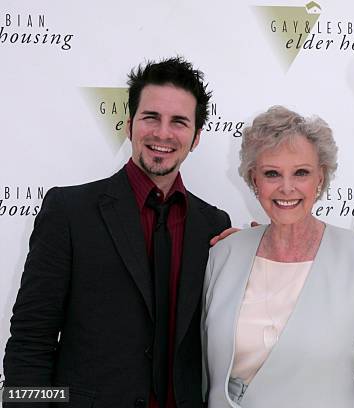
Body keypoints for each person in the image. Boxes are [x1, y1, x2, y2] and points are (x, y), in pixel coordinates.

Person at [3, 57, 231, 408]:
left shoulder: (214, 226)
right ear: (129, 124)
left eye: (179, 122)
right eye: (150, 117)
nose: (162, 133)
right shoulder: (69, 211)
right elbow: (30, 340)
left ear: (196, 137)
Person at [202, 106, 354, 408]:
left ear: (320, 177)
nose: (286, 187)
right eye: (272, 173)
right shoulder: (224, 254)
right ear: (254, 179)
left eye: (301, 173)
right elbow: (207, 375)